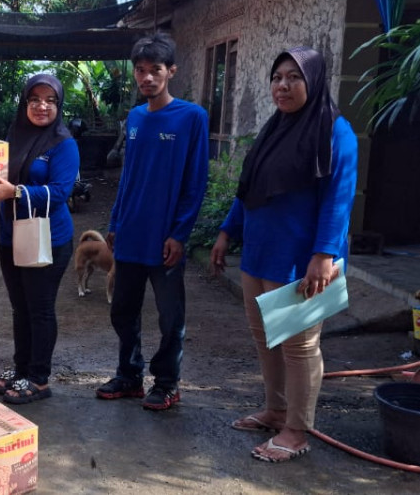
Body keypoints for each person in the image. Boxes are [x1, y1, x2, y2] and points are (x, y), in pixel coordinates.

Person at [210, 46, 357, 463]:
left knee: (299, 346)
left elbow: (339, 199)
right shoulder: (274, 129)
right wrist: (226, 232)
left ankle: (297, 430)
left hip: (300, 258)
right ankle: (275, 410)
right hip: (260, 253)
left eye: (294, 76)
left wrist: (324, 254)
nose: (283, 85)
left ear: (313, 80)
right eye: (277, 77)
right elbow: (249, 187)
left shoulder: (334, 131)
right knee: (264, 337)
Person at [96, 32, 210, 411]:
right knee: (122, 310)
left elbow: (195, 183)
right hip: (129, 233)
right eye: (140, 71)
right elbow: (129, 176)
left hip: (164, 239)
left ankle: (166, 383)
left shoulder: (192, 117)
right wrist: (114, 221)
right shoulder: (133, 117)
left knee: (169, 317)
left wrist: (180, 234)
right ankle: (129, 375)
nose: (147, 78)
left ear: (171, 71)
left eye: (155, 70)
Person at [0, 74, 80, 405]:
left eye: (50, 100)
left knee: (39, 308)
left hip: (47, 237)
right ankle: (21, 368)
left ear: (59, 105)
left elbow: (62, 192)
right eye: (35, 99)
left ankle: (38, 377)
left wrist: (16, 192)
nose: (42, 106)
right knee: (19, 307)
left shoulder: (63, 143)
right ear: (24, 103)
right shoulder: (15, 136)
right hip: (12, 233)